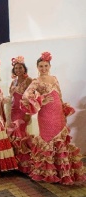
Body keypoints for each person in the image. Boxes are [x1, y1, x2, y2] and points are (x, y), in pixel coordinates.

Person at [20, 52, 86, 184]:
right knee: (48, 141)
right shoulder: (36, 81)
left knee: (60, 140)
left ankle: (61, 172)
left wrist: (63, 111)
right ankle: (48, 173)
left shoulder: (54, 78)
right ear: (37, 67)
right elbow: (26, 96)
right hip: (45, 115)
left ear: (49, 66)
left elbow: (59, 95)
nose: (43, 68)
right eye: (40, 66)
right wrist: (41, 100)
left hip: (58, 114)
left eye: (45, 66)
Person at [7, 56, 33, 173]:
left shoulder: (29, 81)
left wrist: (28, 112)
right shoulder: (13, 82)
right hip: (13, 110)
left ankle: (25, 164)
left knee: (20, 133)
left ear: (24, 69)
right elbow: (11, 96)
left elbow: (33, 98)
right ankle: (15, 162)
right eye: (16, 68)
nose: (18, 70)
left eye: (20, 67)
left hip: (23, 111)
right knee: (13, 134)